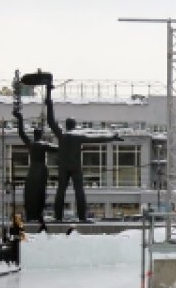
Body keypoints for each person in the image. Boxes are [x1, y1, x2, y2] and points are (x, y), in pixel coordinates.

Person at [45, 82, 122, 222]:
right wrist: (112, 137)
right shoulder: (78, 136)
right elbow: (97, 138)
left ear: (66, 125)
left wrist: (49, 102)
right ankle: (82, 218)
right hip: (75, 167)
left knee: (60, 191)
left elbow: (50, 121)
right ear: (74, 126)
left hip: (63, 167)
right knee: (79, 191)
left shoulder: (61, 135)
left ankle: (57, 217)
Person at [12, 105, 57, 226]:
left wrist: (20, 118)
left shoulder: (31, 144)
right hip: (41, 170)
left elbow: (21, 133)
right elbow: (58, 149)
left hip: (33, 170)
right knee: (40, 192)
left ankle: (32, 214)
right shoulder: (43, 144)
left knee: (31, 192)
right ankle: (37, 214)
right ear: (41, 134)